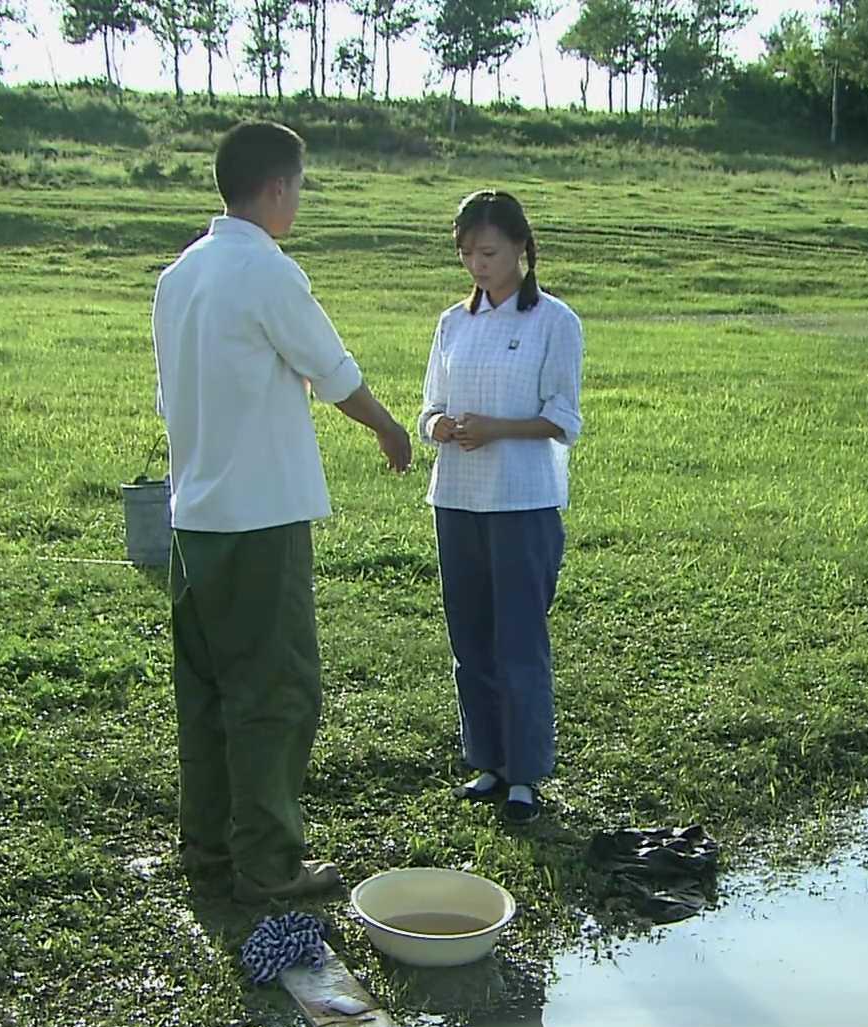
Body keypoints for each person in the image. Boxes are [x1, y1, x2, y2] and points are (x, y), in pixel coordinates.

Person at [153, 120, 413, 902]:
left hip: (193, 517)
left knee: (207, 692)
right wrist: (388, 427)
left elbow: (179, 396)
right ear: (275, 188)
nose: (299, 200)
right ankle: (267, 864)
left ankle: (207, 847)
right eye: (298, 187)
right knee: (273, 691)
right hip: (259, 521)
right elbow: (333, 372)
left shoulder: (179, 276)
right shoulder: (267, 271)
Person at [418, 190, 584, 826]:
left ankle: (525, 773)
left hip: (523, 500)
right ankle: (486, 761)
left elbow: (562, 419)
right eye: (466, 254)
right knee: (470, 637)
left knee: (519, 639)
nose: (477, 265)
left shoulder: (554, 322)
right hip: (457, 499)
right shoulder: (452, 323)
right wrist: (437, 427)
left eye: (487, 252)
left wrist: (496, 429)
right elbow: (430, 405)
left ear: (520, 248)